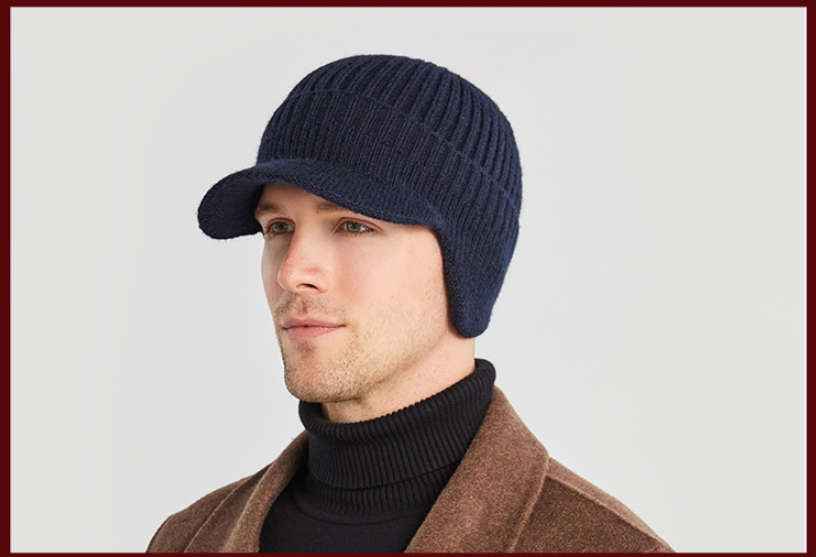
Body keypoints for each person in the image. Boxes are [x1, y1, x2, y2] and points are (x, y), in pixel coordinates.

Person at [146, 54, 673, 553]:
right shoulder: (186, 539)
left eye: (353, 226)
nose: (292, 272)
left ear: (465, 263)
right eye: (279, 227)